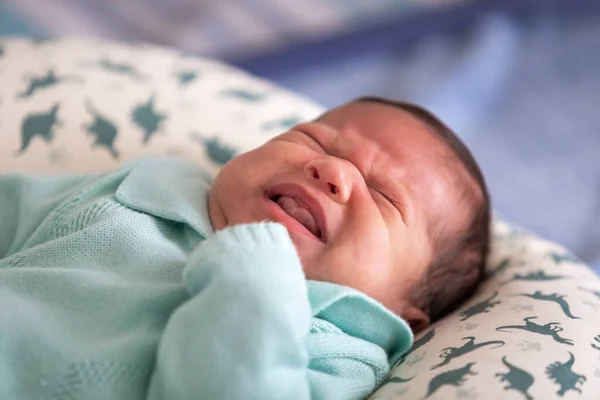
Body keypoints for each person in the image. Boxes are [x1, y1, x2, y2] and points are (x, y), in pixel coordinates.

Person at [0, 97, 491, 400]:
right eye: (315, 141)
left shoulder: (336, 349)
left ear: (403, 314)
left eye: (383, 196)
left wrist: (256, 274)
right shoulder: (146, 186)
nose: (333, 172)